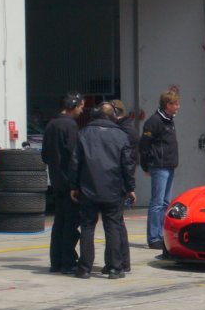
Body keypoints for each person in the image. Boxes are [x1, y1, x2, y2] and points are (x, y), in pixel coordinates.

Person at [69, 102, 136, 279]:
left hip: (88, 188)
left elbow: (75, 163)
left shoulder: (83, 134)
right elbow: (127, 165)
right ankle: (114, 268)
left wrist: (74, 186)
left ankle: (84, 268)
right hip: (113, 189)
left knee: (87, 228)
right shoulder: (120, 136)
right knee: (113, 227)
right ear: (113, 116)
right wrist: (130, 188)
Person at [41, 92, 84, 274]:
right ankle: (68, 262)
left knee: (59, 223)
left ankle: (56, 261)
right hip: (69, 182)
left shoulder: (51, 125)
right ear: (74, 106)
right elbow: (75, 156)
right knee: (71, 224)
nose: (82, 111)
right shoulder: (70, 126)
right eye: (81, 107)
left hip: (56, 181)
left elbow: (44, 155)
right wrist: (76, 183)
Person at [139, 90, 180, 250]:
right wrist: (146, 165)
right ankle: (154, 237)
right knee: (157, 202)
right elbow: (144, 145)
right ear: (168, 105)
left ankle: (162, 235)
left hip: (169, 165)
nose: (178, 107)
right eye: (176, 104)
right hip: (159, 166)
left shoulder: (170, 120)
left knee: (165, 202)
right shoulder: (154, 121)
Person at [103, 99, 138, 273]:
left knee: (116, 225)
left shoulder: (125, 132)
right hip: (121, 180)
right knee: (117, 224)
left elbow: (128, 161)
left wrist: (129, 186)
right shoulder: (125, 129)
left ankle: (120, 262)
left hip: (120, 182)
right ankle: (119, 261)